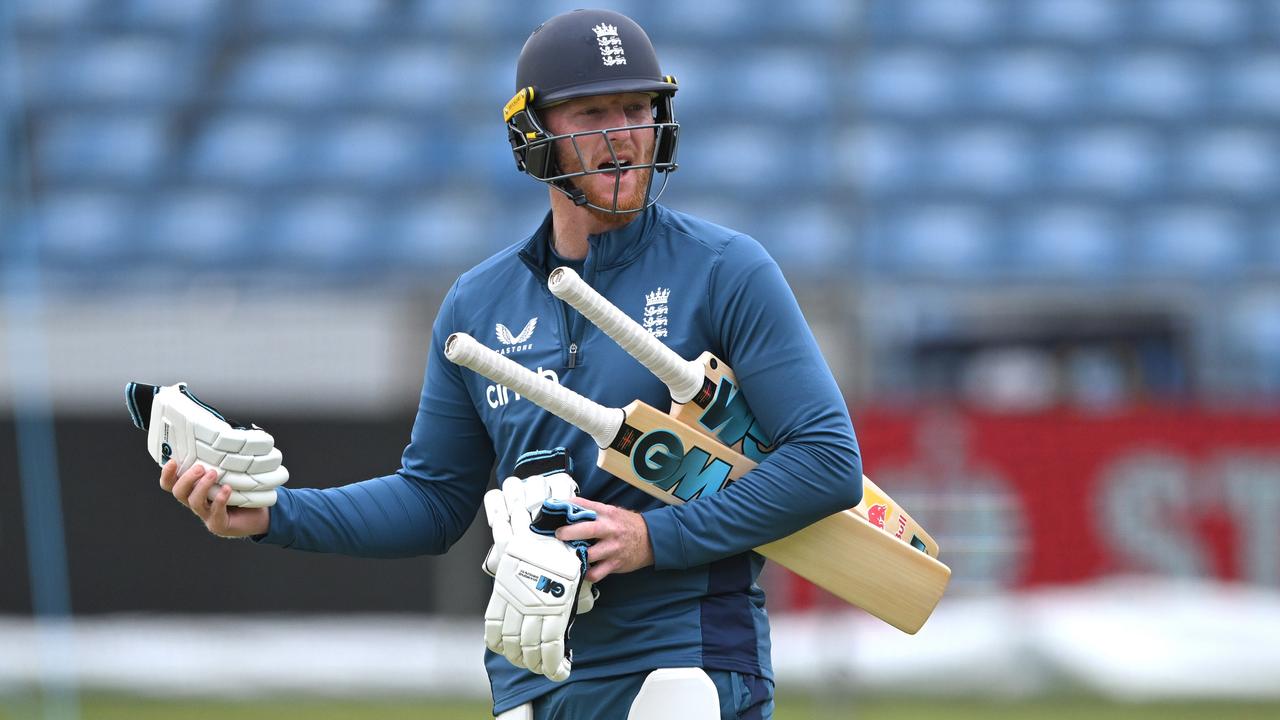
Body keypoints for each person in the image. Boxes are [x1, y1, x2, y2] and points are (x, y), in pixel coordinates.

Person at [157, 9, 861, 720]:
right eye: (592, 112)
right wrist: (273, 515)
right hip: (530, 685)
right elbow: (433, 502)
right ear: (536, 136)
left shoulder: (725, 271)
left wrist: (655, 538)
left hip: (686, 668)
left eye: (637, 107)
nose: (623, 134)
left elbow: (827, 462)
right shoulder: (476, 303)